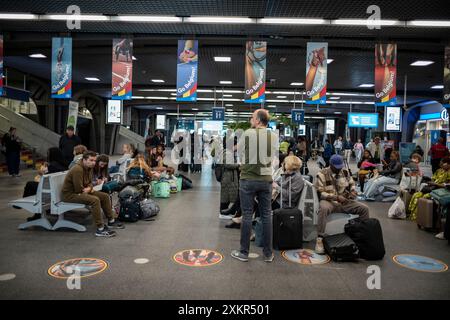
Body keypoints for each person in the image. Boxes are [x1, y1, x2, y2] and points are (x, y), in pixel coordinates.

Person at [231, 109, 277, 263]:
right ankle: (268, 254)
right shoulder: (274, 135)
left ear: (258, 120)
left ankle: (244, 253)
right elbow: (273, 156)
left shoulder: (248, 133)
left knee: (247, 215)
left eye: (252, 117)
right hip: (266, 179)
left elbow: (239, 152)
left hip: (248, 179)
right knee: (266, 215)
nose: (251, 120)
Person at [314, 154, 370, 254]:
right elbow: (320, 192)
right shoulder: (322, 174)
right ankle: (320, 239)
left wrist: (353, 191)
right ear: (330, 164)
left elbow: (352, 183)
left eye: (340, 167)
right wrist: (335, 197)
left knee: (364, 209)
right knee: (323, 208)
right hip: (329, 201)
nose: (338, 170)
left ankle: (362, 237)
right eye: (336, 168)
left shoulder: (344, 171)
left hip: (345, 201)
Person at [61, 151, 124, 237]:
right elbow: (78, 189)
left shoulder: (89, 168)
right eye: (91, 160)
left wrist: (89, 188)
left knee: (104, 196)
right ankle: (100, 229)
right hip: (70, 195)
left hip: (82, 191)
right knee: (95, 200)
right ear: (84, 160)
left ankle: (111, 221)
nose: (93, 162)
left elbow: (90, 183)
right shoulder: (78, 169)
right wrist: (89, 189)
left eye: (94, 160)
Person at [219, 138, 240, 220]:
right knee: (225, 195)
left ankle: (225, 211)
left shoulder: (228, 152)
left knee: (227, 195)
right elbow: (228, 164)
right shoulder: (227, 153)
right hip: (227, 178)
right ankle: (222, 212)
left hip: (229, 177)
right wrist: (238, 165)